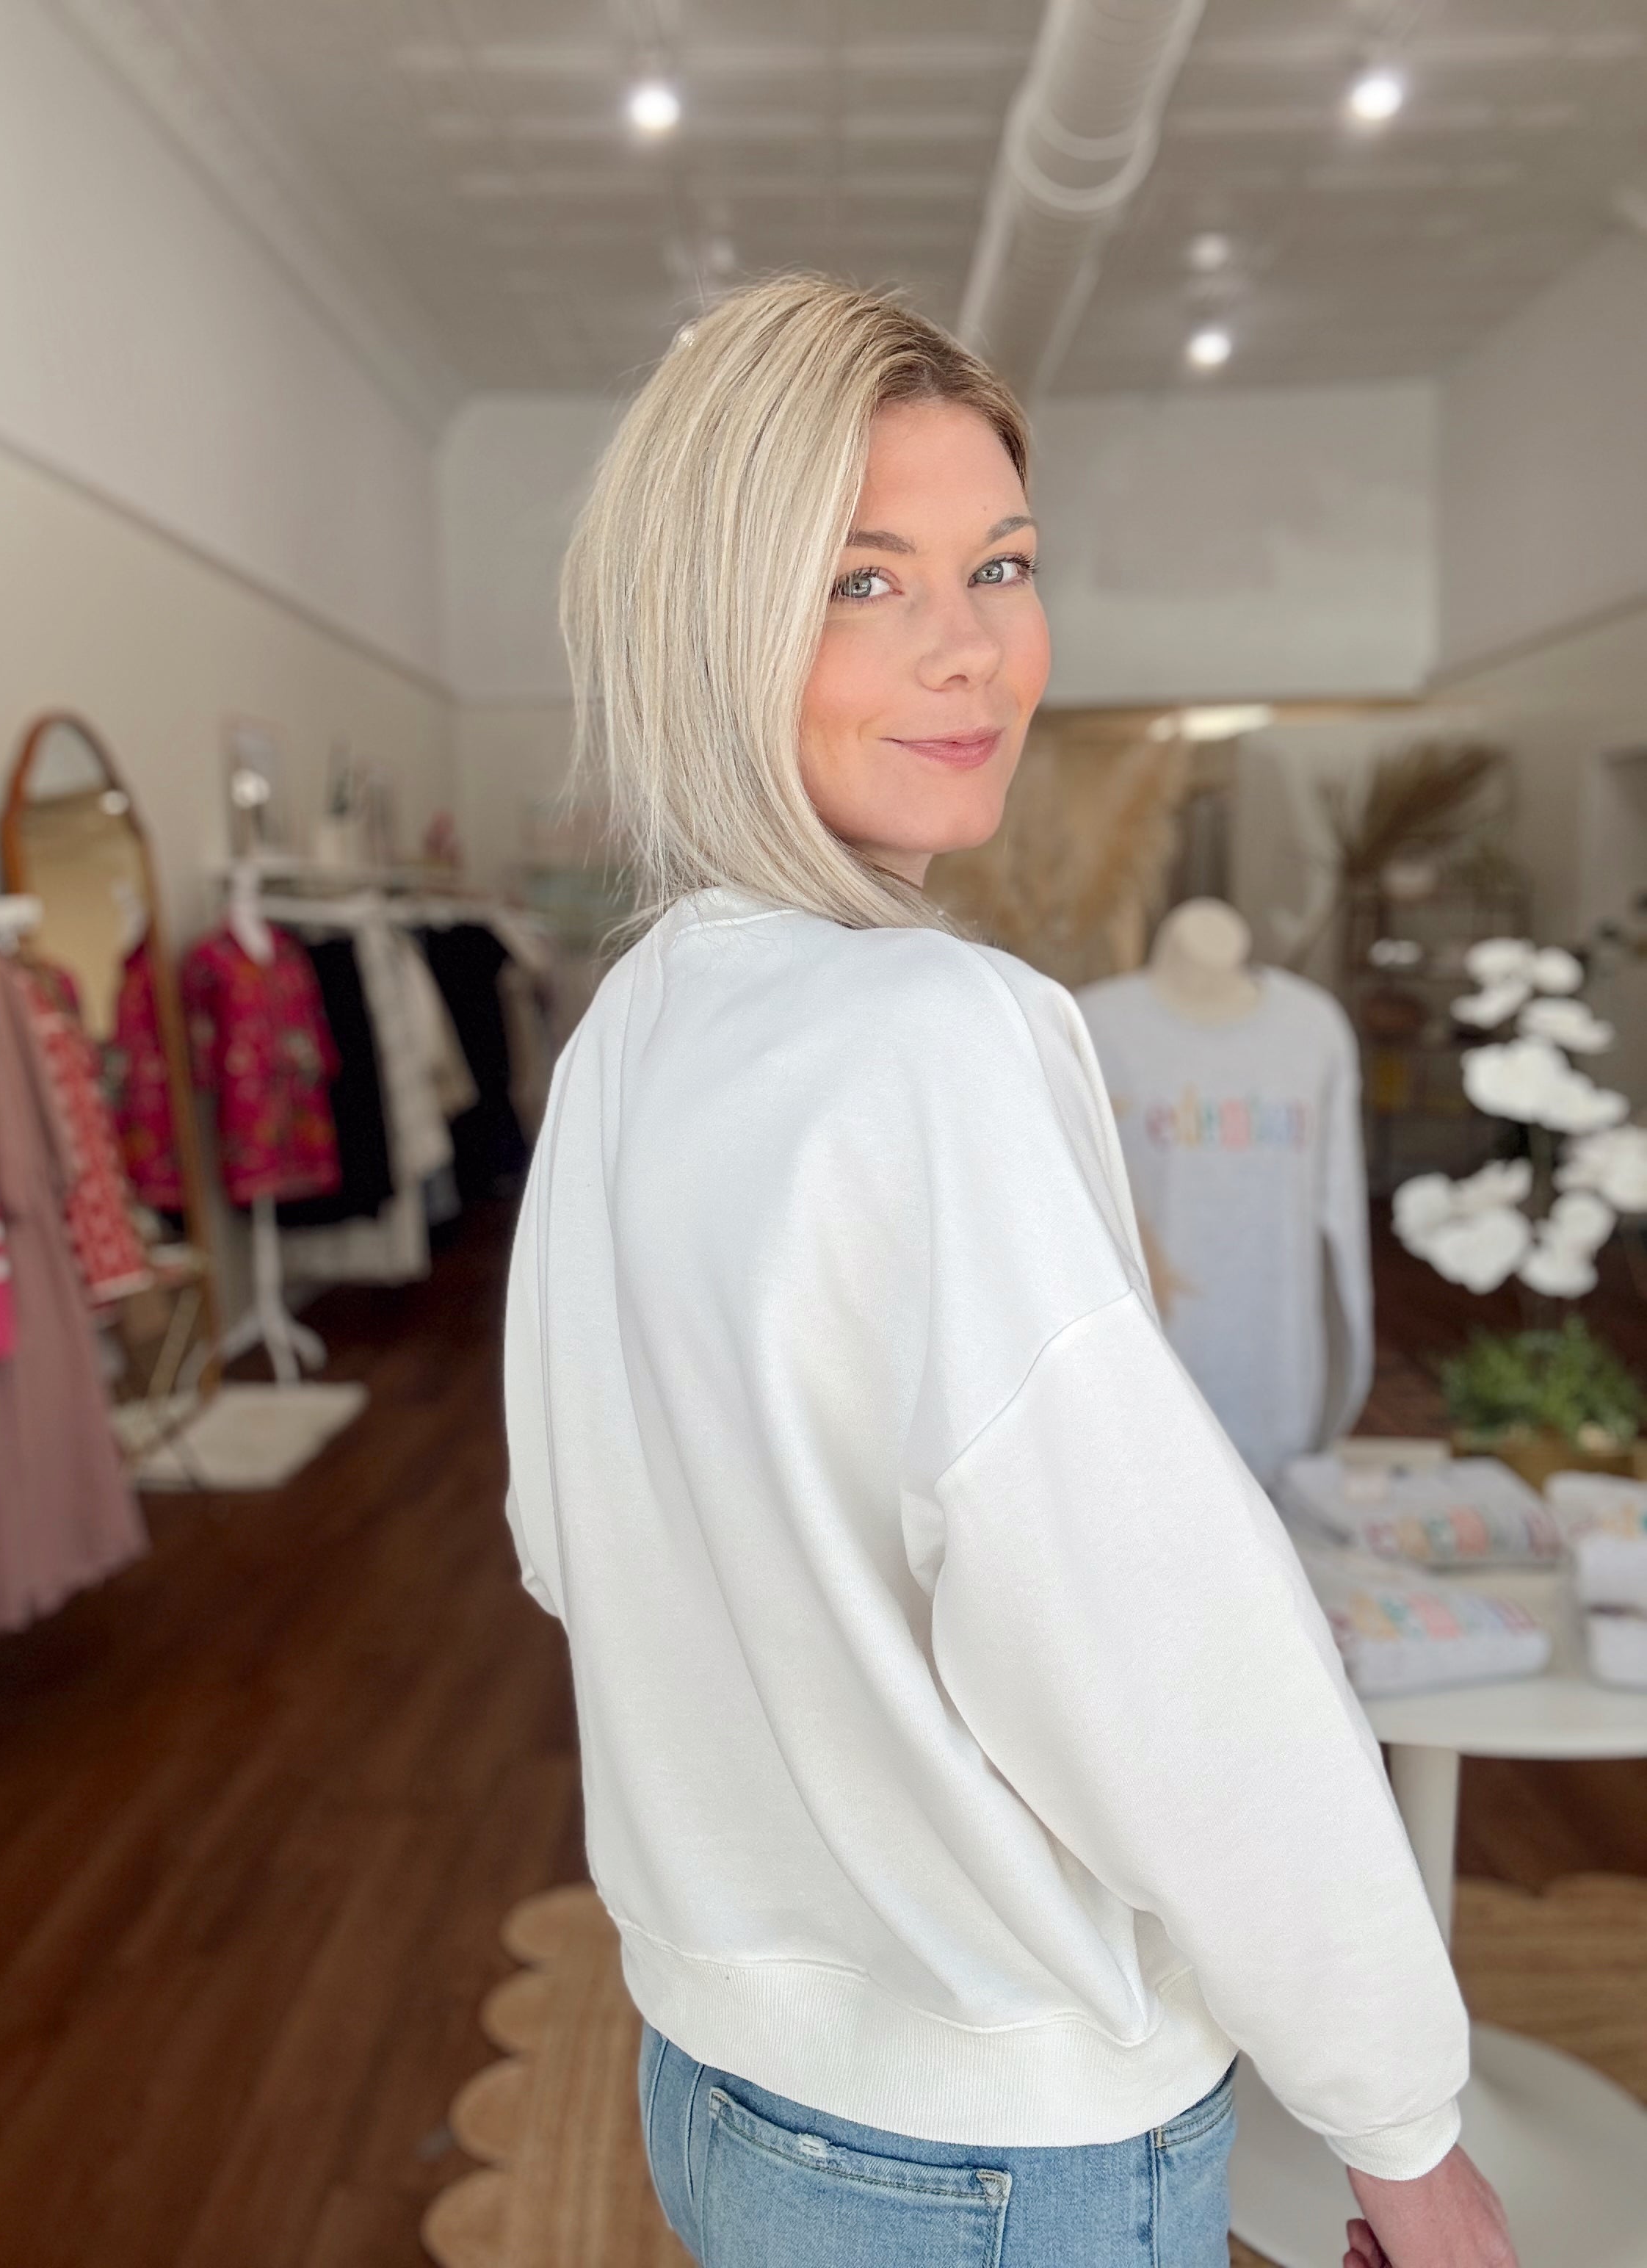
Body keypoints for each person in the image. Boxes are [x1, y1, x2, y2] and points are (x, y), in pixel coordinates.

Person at [503, 275, 1517, 2268]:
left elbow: (570, 1536)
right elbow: (1160, 1673)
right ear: (708, 622)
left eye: (1003, 564)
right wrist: (1400, 2128)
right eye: (860, 581)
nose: (971, 649)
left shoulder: (637, 1022)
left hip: (719, 2080)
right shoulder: (942, 1033)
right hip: (990, 2142)